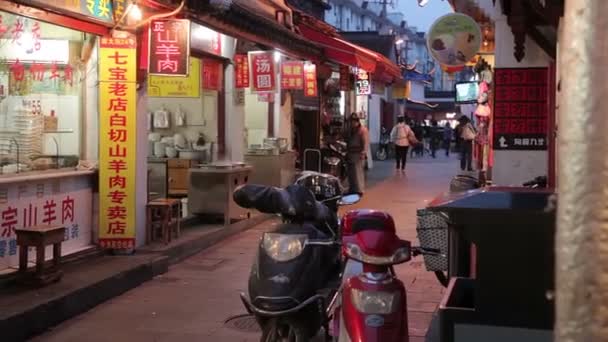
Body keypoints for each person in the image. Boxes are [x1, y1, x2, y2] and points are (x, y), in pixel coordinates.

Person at [345, 113, 369, 195]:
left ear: (358, 121)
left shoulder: (363, 130)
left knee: (358, 173)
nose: (352, 123)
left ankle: (359, 190)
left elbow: (365, 143)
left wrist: (363, 152)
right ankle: (353, 189)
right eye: (351, 121)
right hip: (350, 153)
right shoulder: (351, 130)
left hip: (358, 154)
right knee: (351, 173)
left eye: (354, 121)